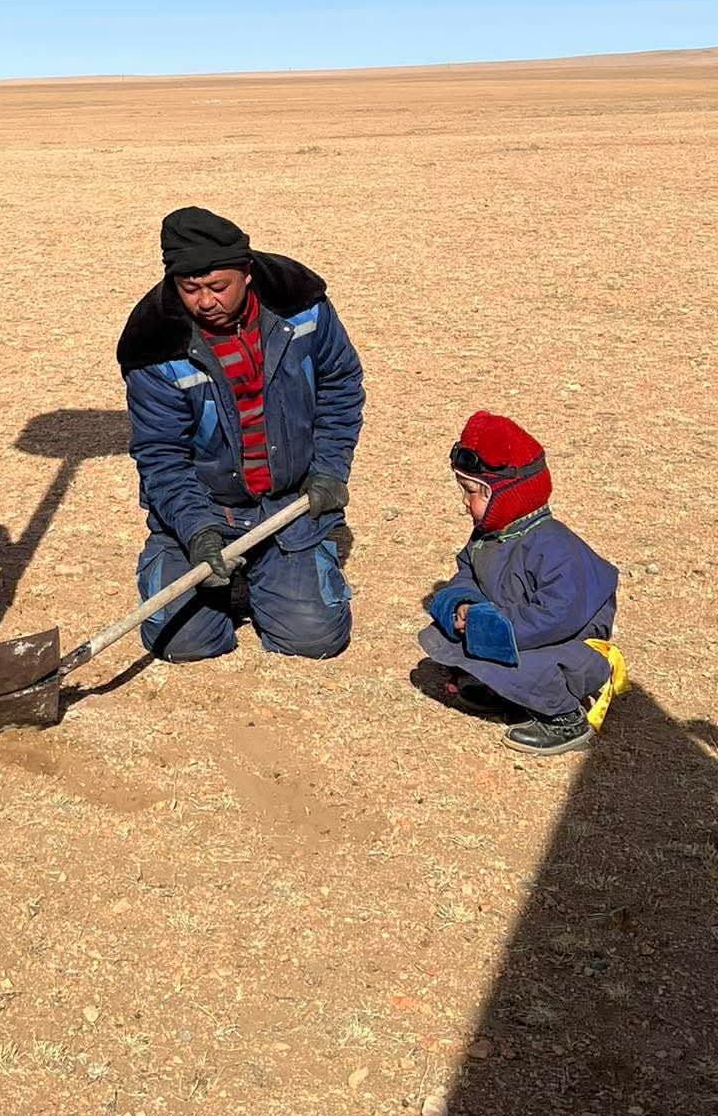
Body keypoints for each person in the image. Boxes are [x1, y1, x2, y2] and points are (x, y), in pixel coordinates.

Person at [116, 205, 364, 663]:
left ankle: (287, 566)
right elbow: (160, 454)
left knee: (314, 640)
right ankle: (185, 560)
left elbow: (340, 386)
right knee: (183, 643)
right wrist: (197, 532)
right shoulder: (153, 343)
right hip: (205, 509)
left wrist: (329, 470)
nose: (204, 301)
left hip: (285, 508)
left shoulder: (303, 307)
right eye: (190, 289)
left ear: (246, 273)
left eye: (216, 287)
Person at [417, 411, 626, 757]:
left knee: (512, 658)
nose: (464, 503)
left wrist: (487, 629)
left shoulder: (555, 548)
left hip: (568, 648)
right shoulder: (487, 538)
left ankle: (564, 717)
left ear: (506, 495)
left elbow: (556, 617)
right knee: (444, 635)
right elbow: (464, 574)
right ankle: (508, 695)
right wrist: (461, 607)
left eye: (471, 492)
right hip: (515, 631)